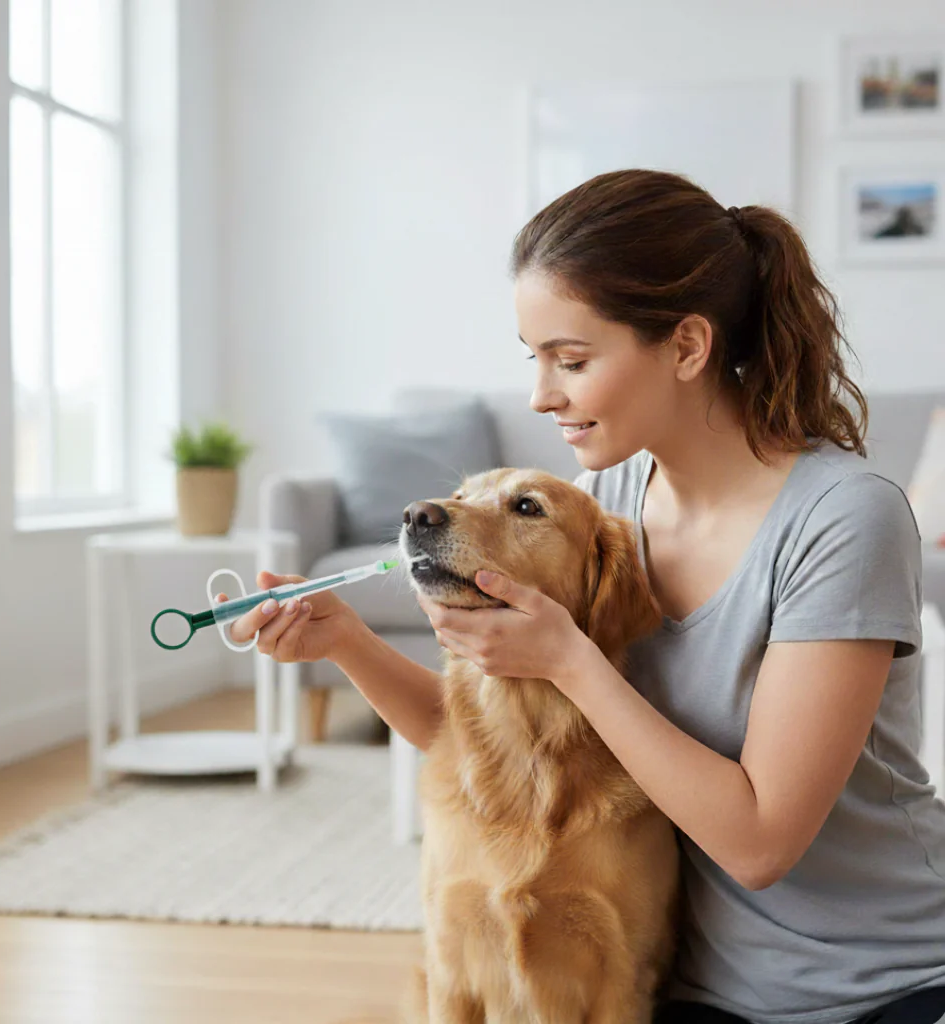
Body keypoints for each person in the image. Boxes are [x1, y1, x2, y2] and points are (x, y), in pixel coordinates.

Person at [229, 169, 945, 1024]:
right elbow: (492, 751)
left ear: (686, 347)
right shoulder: (603, 500)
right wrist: (345, 641)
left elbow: (759, 843)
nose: (542, 395)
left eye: (571, 360)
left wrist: (569, 658)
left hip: (873, 982)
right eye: (534, 360)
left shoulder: (844, 519)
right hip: (683, 984)